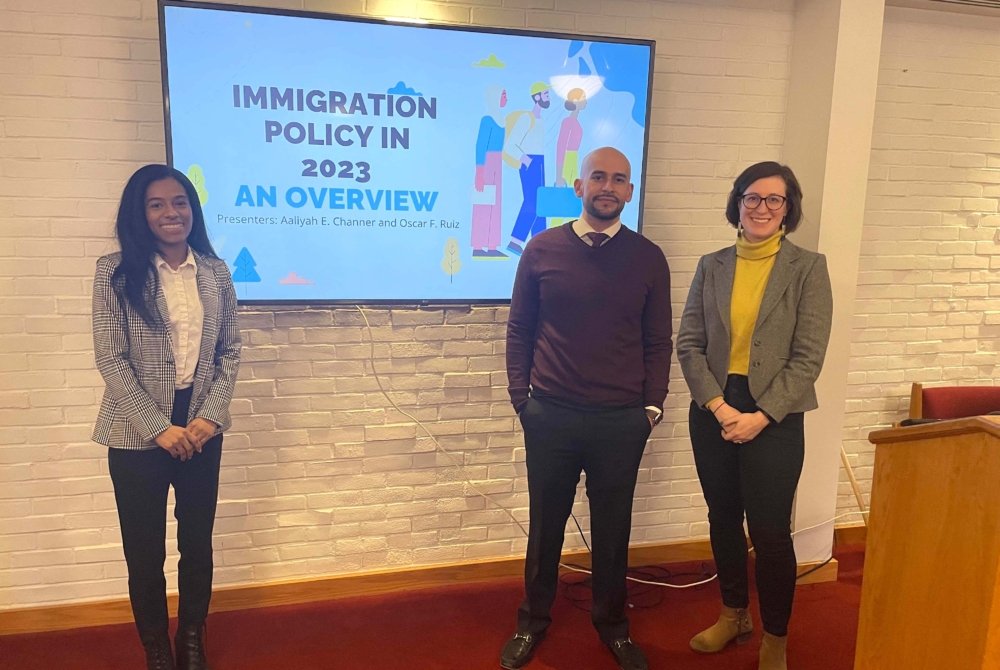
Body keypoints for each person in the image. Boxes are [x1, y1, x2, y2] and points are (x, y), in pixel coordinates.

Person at [502, 147, 673, 670]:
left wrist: (651, 409)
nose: (608, 186)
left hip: (621, 420)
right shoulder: (541, 248)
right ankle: (532, 622)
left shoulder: (648, 257)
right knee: (546, 523)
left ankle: (613, 626)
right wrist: (522, 400)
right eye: (598, 176)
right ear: (579, 187)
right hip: (550, 413)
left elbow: (658, 341)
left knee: (613, 528)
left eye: (619, 179)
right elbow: (520, 329)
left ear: (628, 192)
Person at [676, 162, 833, 670]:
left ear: (789, 208)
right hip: (714, 408)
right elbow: (689, 344)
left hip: (777, 416)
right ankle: (733, 614)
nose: (762, 208)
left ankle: (775, 639)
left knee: (768, 531)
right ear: (737, 203)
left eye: (774, 199)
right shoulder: (712, 264)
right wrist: (720, 406)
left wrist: (760, 415)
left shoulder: (808, 268)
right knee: (722, 519)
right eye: (752, 198)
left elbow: (808, 357)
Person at [92, 164, 241, 670]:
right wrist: (159, 427)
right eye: (156, 204)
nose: (170, 212)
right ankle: (156, 645)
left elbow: (230, 352)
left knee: (197, 544)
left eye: (179, 201)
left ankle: (192, 638)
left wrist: (211, 418)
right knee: (145, 552)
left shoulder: (216, 272)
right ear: (141, 213)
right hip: (137, 432)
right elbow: (110, 358)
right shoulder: (114, 271)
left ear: (192, 209)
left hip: (201, 428)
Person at [504, 82, 551, 257]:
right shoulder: (527, 119)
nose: (549, 98)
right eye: (546, 94)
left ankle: (540, 242)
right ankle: (515, 241)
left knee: (541, 203)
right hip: (530, 163)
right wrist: (526, 159)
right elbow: (510, 145)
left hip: (539, 162)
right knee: (532, 202)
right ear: (537, 97)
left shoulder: (541, 120)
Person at [471, 84, 508, 259]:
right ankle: (478, 245)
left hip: (497, 164)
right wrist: (480, 172)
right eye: (503, 95)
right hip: (486, 164)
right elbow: (480, 145)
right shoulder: (487, 119)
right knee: (483, 203)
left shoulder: (501, 118)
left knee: (496, 204)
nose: (506, 99)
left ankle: (492, 245)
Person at [549, 88, 587, 229]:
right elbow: (561, 147)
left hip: (573, 161)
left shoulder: (575, 122)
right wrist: (559, 175)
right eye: (583, 98)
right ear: (576, 101)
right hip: (567, 162)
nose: (586, 102)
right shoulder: (568, 122)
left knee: (572, 201)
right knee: (561, 201)